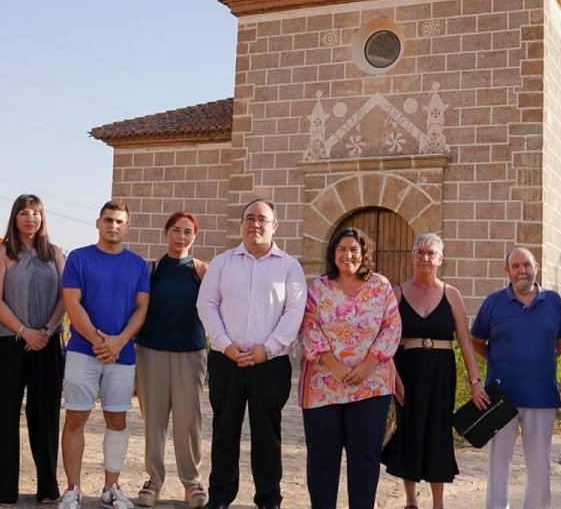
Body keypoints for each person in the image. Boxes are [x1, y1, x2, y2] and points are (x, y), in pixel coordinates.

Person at [196, 199, 306, 509]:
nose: (255, 224)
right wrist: (225, 344)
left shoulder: (289, 266)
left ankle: (269, 497)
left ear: (275, 227)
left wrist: (267, 350)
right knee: (225, 429)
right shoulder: (223, 263)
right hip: (226, 360)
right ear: (241, 224)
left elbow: (294, 312)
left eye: (262, 219)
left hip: (270, 365)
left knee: (267, 433)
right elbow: (207, 305)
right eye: (249, 218)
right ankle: (220, 495)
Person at [298, 227, 402, 509]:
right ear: (333, 254)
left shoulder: (380, 286)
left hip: (371, 386)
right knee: (322, 456)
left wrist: (368, 366)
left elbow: (392, 327)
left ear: (364, 254)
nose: (348, 255)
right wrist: (336, 367)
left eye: (354, 250)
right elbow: (308, 327)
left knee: (365, 456)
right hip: (324, 387)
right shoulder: (318, 288)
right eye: (341, 249)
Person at [56, 201, 150, 509]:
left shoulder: (138, 265)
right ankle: (72, 489)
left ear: (127, 227)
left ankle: (112, 488)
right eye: (108, 220)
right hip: (83, 352)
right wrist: (100, 340)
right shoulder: (79, 259)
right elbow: (72, 304)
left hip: (122, 355)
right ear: (98, 223)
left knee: (117, 418)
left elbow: (141, 308)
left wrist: (119, 342)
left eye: (120, 221)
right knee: (76, 417)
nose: (113, 225)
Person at [383, 233, 487, 509]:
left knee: (438, 432)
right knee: (410, 429)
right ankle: (410, 501)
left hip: (442, 371)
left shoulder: (452, 294)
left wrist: (475, 382)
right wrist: (393, 377)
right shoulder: (397, 293)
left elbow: (465, 341)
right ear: (412, 256)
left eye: (430, 253)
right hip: (408, 370)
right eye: (419, 252)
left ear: (440, 258)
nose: (425, 258)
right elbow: (387, 340)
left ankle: (438, 503)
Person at [471, 247, 561, 509]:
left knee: (540, 466)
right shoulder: (493, 302)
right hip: (501, 396)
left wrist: (540, 359)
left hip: (541, 396)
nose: (521, 271)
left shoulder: (554, 301)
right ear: (507, 271)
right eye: (515, 266)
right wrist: (499, 361)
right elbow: (477, 341)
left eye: (526, 265)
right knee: (498, 466)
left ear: (536, 266)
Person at [0, 194, 66, 506]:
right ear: (14, 218)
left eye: (36, 213)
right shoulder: (3, 252)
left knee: (45, 416)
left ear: (43, 218)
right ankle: (6, 490)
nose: (30, 218)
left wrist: (45, 331)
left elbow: (65, 298)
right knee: (7, 416)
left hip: (47, 343)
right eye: (24, 213)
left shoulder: (56, 254)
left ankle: (47, 488)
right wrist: (24, 332)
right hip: (9, 342)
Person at [133, 212, 209, 508]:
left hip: (190, 353)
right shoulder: (151, 269)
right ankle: (153, 480)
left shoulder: (203, 271)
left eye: (187, 231)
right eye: (176, 230)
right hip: (151, 351)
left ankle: (191, 482)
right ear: (166, 233)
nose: (181, 236)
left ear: (195, 237)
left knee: (189, 420)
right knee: (153, 419)